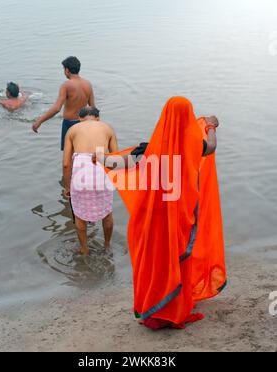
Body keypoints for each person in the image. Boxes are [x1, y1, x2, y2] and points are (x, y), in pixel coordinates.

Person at [95, 97, 226, 330]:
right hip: (180, 217)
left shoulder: (150, 148)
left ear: (164, 116)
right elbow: (212, 147)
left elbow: (121, 163)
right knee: (179, 261)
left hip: (151, 219)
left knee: (155, 262)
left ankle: (152, 310)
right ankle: (175, 311)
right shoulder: (195, 144)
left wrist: (101, 158)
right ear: (188, 116)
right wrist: (210, 127)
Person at [63, 106, 118, 256]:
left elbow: (66, 164)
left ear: (80, 118)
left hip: (81, 171)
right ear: (97, 118)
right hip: (101, 166)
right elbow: (115, 159)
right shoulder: (107, 128)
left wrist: (67, 187)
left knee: (79, 215)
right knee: (107, 213)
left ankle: (85, 249)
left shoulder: (73, 129)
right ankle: (107, 246)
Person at [32, 56, 95, 151]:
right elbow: (93, 109)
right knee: (82, 153)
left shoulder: (66, 85)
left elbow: (57, 108)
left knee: (68, 156)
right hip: (84, 124)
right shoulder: (88, 84)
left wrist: (39, 121)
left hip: (69, 124)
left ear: (67, 70)